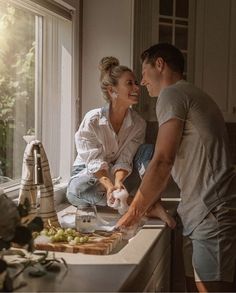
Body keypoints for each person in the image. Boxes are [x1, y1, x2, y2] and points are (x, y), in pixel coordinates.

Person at [116, 43, 236, 292]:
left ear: (160, 64)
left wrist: (133, 213)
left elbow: (162, 161)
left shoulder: (172, 94)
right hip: (201, 211)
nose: (142, 80)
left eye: (144, 71)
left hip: (211, 213)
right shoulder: (191, 94)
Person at [66, 56, 175, 228]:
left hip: (122, 174)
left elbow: (126, 159)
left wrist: (118, 183)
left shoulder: (138, 123)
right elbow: (94, 162)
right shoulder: (93, 120)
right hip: (92, 177)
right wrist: (110, 187)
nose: (137, 88)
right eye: (129, 83)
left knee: (148, 150)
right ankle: (147, 207)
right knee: (75, 191)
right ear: (112, 90)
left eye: (136, 83)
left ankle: (147, 198)